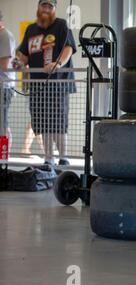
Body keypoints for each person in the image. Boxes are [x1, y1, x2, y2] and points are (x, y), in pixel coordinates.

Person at [15, 0, 77, 166]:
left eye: (50, 6)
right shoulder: (31, 29)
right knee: (42, 121)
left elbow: (68, 49)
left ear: (54, 9)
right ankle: (49, 158)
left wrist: (57, 64)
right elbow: (24, 54)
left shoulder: (61, 25)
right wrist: (18, 62)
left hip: (58, 84)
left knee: (58, 121)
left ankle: (63, 157)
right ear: (38, 7)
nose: (46, 9)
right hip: (37, 85)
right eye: (44, 5)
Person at [0, 10, 16, 149]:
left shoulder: (5, 36)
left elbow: (5, 65)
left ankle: (4, 157)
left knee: (2, 123)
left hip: (4, 87)